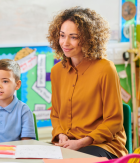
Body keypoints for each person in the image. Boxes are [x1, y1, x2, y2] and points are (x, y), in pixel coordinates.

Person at [47, 7, 127, 159]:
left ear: (89, 38)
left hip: (102, 145)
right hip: (68, 143)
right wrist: (61, 134)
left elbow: (114, 121)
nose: (65, 42)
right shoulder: (57, 71)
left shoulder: (105, 69)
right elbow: (56, 115)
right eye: (62, 36)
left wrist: (83, 142)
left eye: (74, 37)